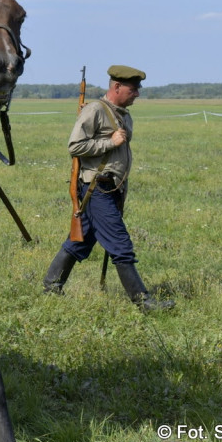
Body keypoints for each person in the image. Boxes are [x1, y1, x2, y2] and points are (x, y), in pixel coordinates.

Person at [42, 66, 174, 311]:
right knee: (121, 245)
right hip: (97, 189)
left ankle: (51, 286)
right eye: (133, 89)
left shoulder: (122, 114)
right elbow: (75, 146)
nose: (137, 94)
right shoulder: (95, 110)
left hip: (112, 190)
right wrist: (109, 142)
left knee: (79, 241)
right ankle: (143, 302)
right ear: (116, 87)